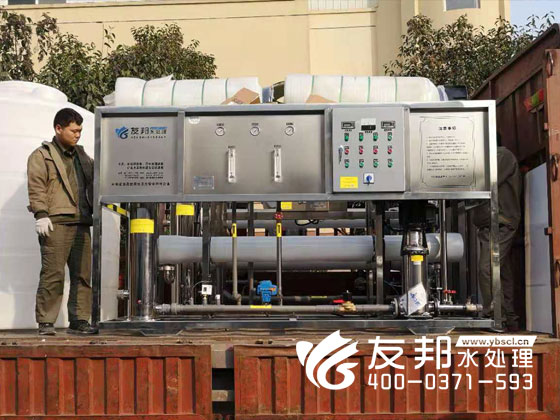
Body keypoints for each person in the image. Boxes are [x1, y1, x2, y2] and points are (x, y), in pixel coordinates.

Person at [27, 108, 97, 335]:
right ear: (58, 128)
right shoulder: (42, 155)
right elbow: (36, 186)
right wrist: (41, 214)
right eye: (73, 130)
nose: (78, 135)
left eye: (80, 131)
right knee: (53, 274)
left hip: (81, 221)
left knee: (82, 275)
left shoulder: (83, 156)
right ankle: (46, 321)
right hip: (56, 222)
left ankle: (80, 319)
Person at [475, 134, 522, 332]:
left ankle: (495, 316)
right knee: (502, 273)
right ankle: (509, 318)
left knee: (487, 268)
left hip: (501, 223)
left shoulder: (502, 155)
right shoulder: (496, 157)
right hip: (493, 224)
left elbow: (486, 180)